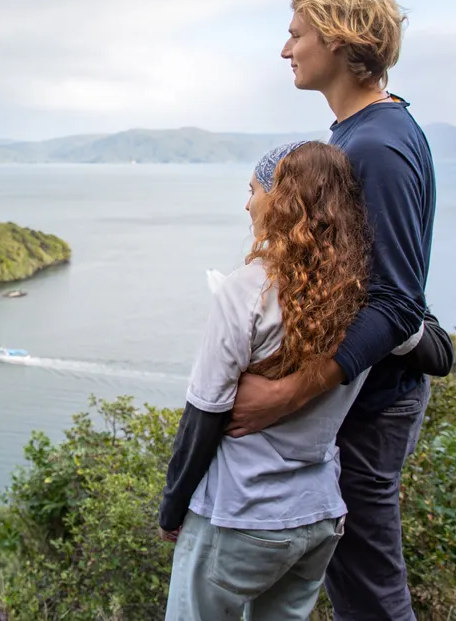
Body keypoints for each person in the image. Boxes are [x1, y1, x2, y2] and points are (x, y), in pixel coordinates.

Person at [227, 0, 451, 621]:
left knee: (370, 592)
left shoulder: (377, 143)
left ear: (336, 36)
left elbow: (395, 303)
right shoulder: (357, 133)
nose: (285, 48)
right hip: (366, 395)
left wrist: (290, 392)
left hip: (375, 402)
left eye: (295, 33)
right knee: (353, 583)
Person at [159, 141, 372, 620]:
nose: (247, 203)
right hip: (318, 514)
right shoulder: (365, 300)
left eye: (253, 189)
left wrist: (172, 509)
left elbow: (205, 413)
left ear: (282, 200)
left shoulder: (247, 292)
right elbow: (424, 344)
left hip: (241, 513)